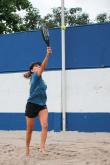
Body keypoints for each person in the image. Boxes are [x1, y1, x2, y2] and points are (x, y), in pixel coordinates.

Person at [24, 47, 52, 157]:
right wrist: (47, 55)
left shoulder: (41, 80)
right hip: (31, 105)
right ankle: (27, 148)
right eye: (36, 66)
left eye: (38, 65)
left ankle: (42, 147)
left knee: (45, 125)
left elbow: (42, 68)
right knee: (29, 130)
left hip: (42, 105)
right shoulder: (35, 76)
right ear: (32, 70)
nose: (38, 67)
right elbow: (43, 67)